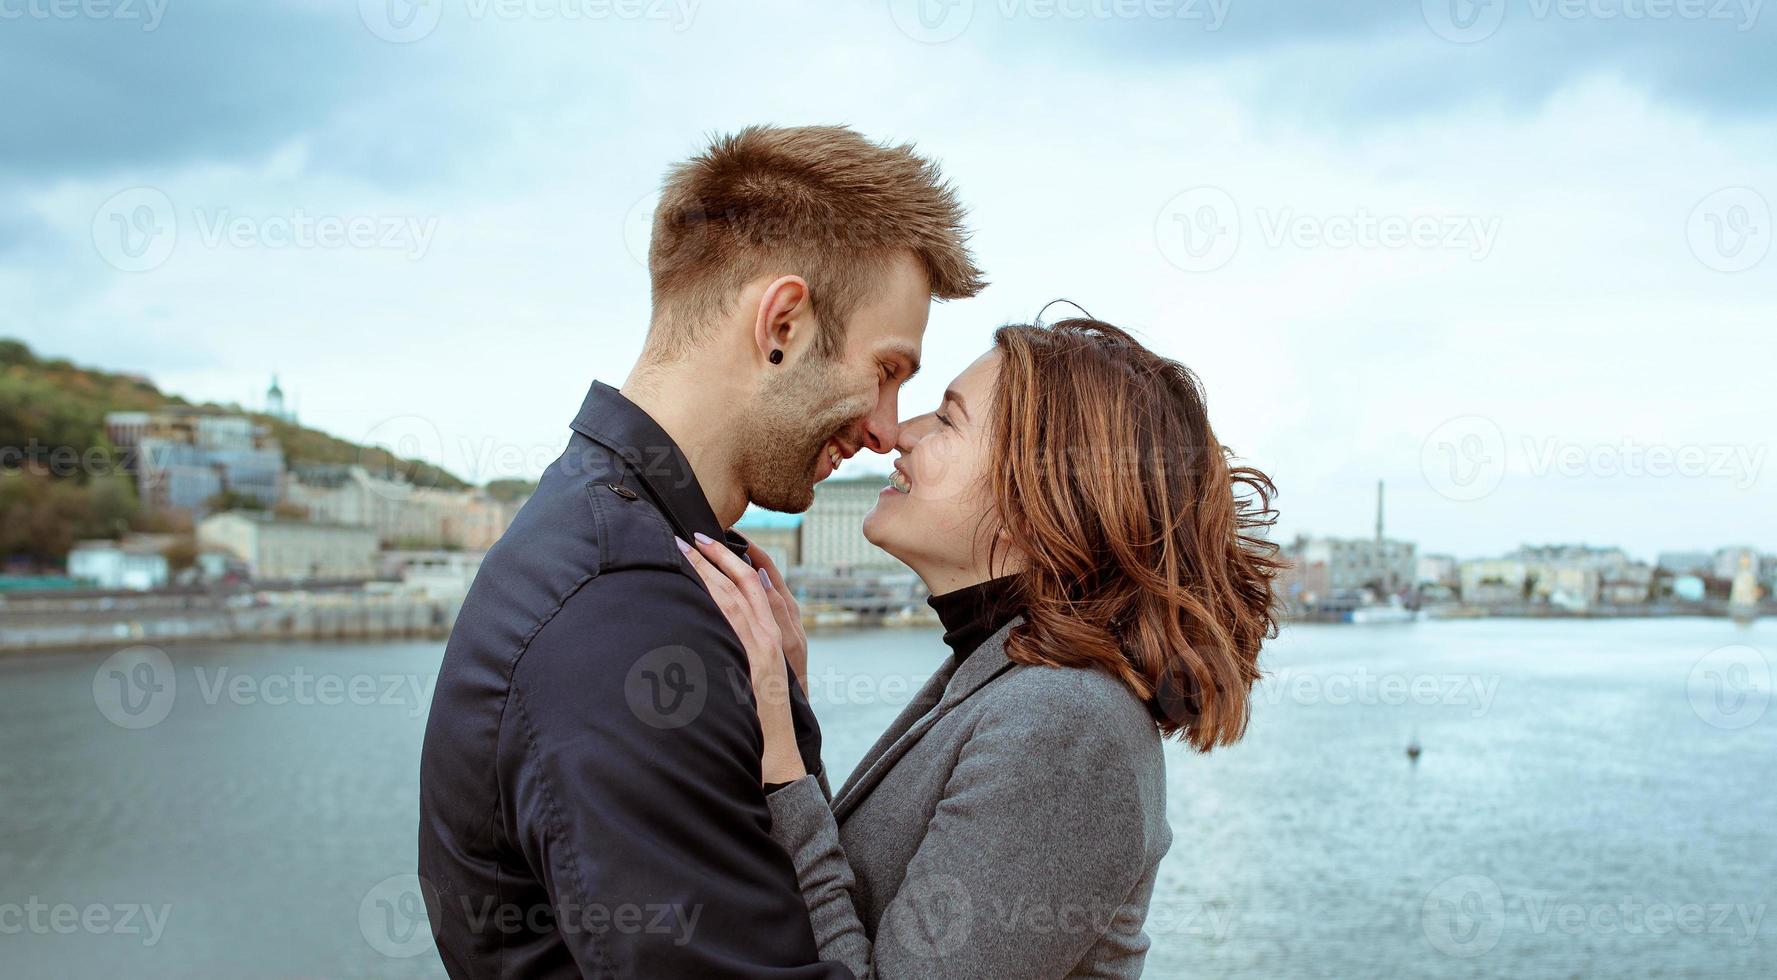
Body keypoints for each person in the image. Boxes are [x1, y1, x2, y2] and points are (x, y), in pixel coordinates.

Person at [417, 124, 985, 978]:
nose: (883, 427)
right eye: (886, 368)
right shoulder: (622, 615)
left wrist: (783, 707)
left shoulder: (630, 549)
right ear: (781, 325)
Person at [681, 316, 1282, 978]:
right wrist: (787, 704)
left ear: (1040, 490)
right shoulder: (1004, 674)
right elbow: (858, 908)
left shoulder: (1066, 722)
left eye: (945, 420)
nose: (897, 435)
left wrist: (779, 750)